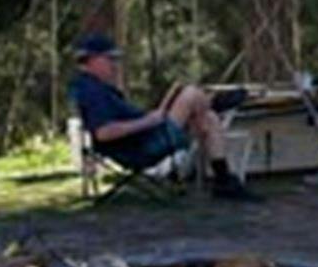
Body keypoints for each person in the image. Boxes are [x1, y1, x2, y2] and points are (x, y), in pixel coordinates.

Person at [67, 33, 257, 201]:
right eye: (110, 60)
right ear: (92, 60)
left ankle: (223, 180)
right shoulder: (91, 91)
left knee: (209, 119)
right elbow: (104, 133)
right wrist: (147, 121)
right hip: (140, 148)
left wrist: (151, 117)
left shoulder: (98, 88)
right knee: (190, 93)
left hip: (145, 137)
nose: (115, 66)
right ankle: (214, 102)